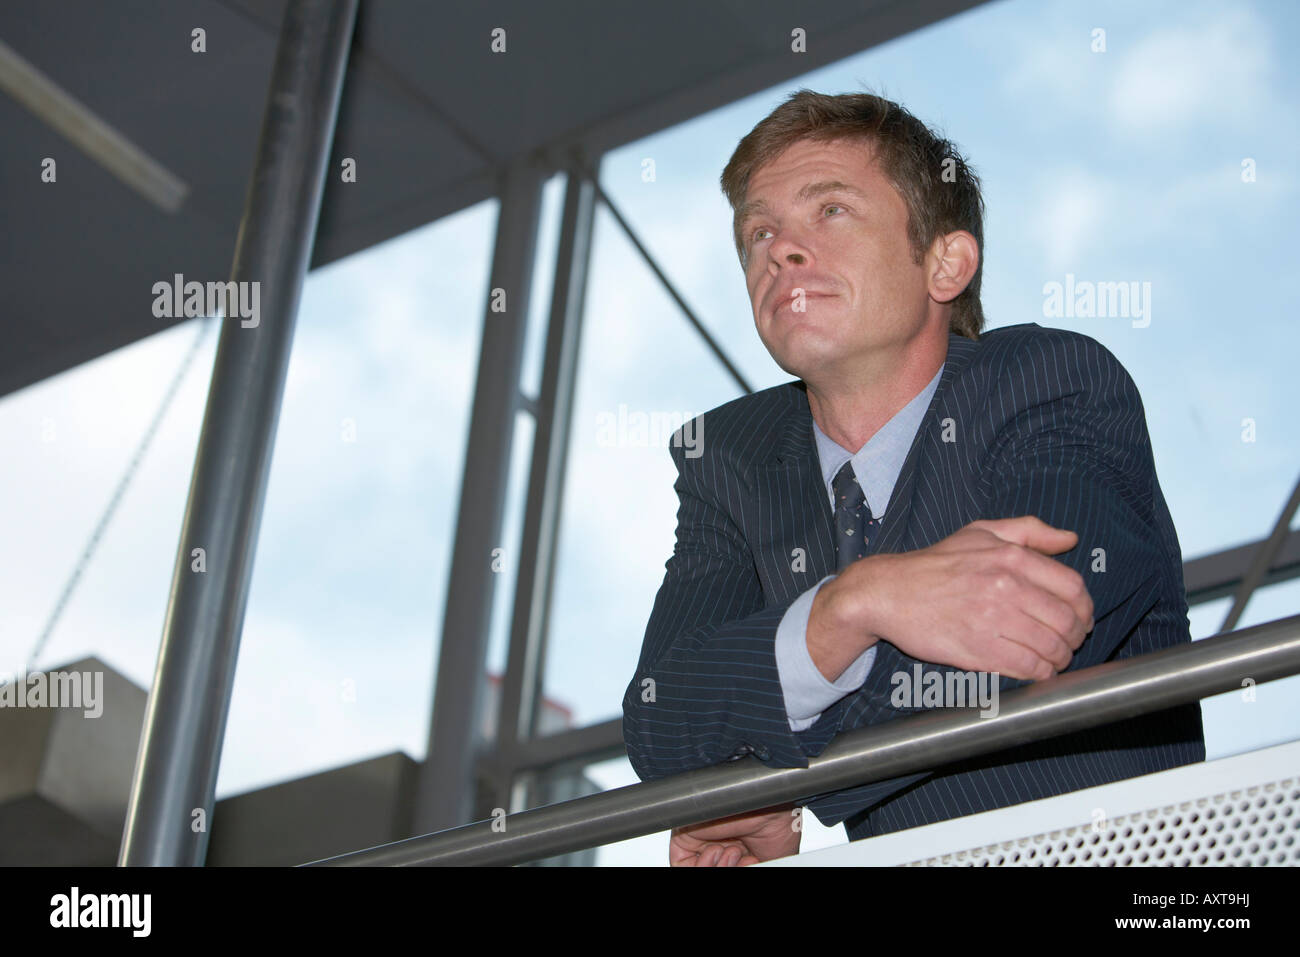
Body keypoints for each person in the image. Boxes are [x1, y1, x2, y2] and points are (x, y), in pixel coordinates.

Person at [621, 89, 1205, 867]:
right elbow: (664, 722)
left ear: (945, 263)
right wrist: (852, 605)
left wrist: (766, 770)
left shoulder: (1048, 381)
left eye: (829, 211)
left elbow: (1026, 625)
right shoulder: (728, 456)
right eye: (758, 230)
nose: (779, 250)